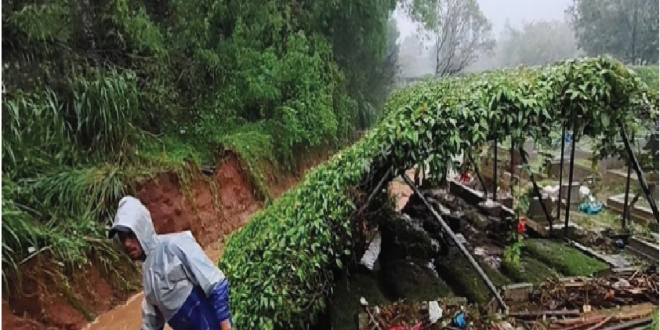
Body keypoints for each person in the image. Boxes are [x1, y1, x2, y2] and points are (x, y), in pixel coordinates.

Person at [108, 196, 233, 330]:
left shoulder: (176, 245)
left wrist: (226, 326)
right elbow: (152, 321)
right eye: (123, 238)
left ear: (142, 229)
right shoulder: (148, 276)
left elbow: (216, 284)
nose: (127, 243)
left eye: (130, 235)